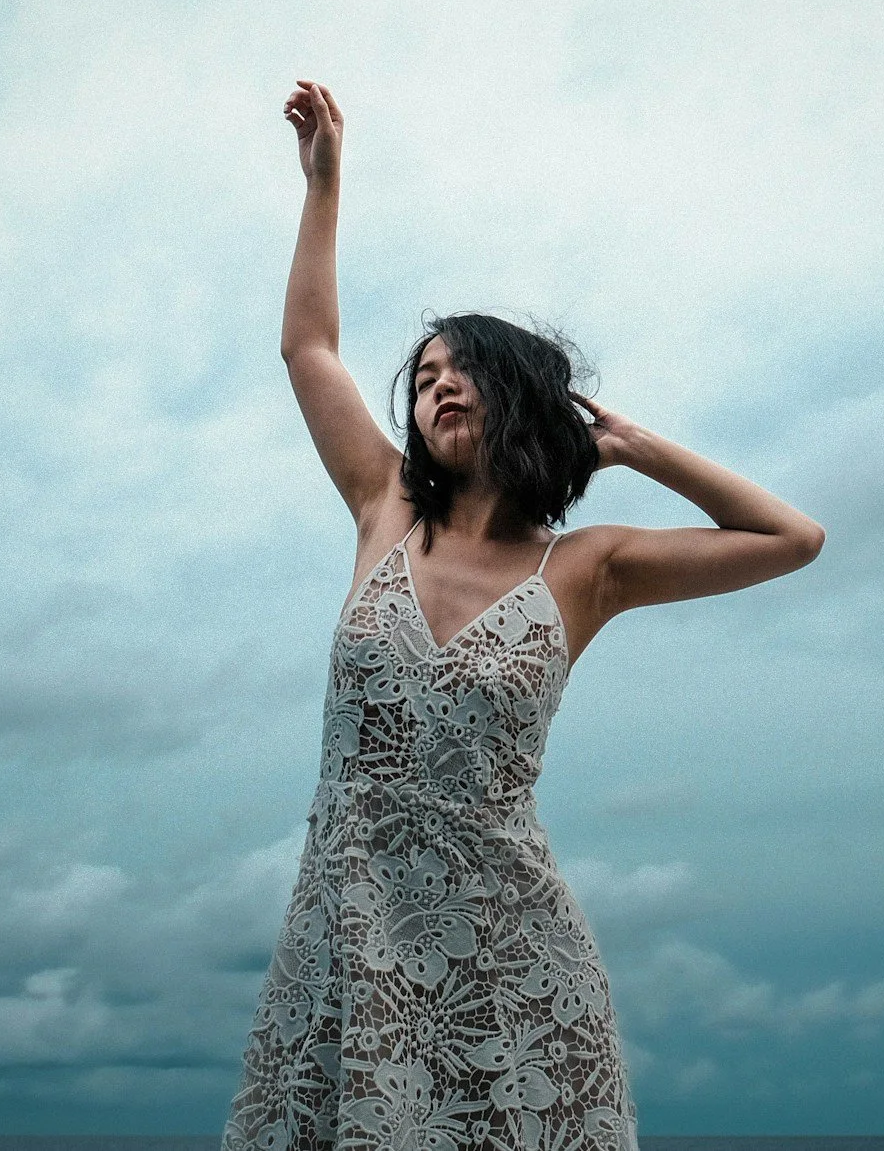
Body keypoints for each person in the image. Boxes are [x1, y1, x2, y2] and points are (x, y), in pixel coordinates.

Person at [222, 80, 825, 1151]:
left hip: (512, 962)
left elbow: (790, 537)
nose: (438, 388)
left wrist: (639, 447)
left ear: (522, 398)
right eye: (425, 378)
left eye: (466, 371)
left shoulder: (588, 566)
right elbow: (308, 349)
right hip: (349, 942)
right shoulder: (385, 506)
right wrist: (324, 186)